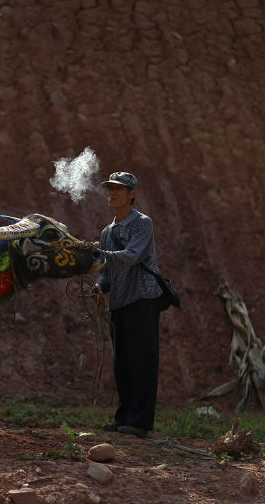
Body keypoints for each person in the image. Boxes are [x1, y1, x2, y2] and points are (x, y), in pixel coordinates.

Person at [94, 171, 163, 438]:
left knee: (142, 361)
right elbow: (106, 270)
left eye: (118, 189)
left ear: (132, 194)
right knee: (122, 362)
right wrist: (100, 286)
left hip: (143, 299)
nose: (111, 193)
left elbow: (130, 256)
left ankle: (140, 422)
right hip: (120, 303)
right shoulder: (107, 231)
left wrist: (95, 254)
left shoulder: (142, 223)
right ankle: (123, 418)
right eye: (109, 188)